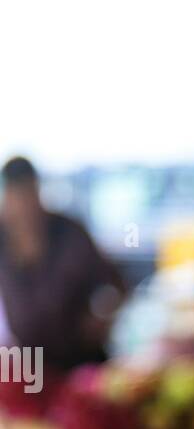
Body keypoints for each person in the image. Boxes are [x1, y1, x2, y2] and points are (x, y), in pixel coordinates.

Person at [0, 156, 124, 373]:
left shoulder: (71, 233)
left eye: (28, 195)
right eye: (16, 197)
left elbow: (116, 284)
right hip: (29, 366)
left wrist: (103, 314)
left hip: (83, 362)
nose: (23, 207)